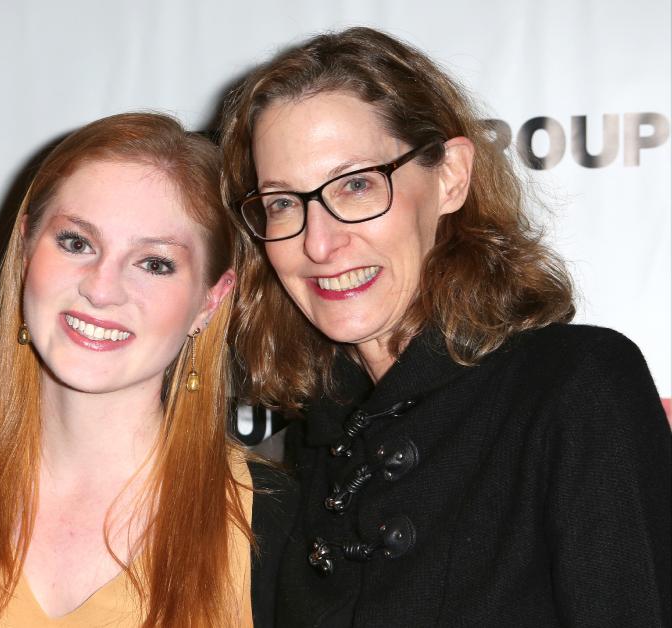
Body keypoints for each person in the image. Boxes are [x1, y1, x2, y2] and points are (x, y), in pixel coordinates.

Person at [218, 26, 671, 626]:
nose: (319, 243)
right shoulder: (303, 457)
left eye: (356, 185)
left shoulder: (574, 387)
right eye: (282, 202)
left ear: (451, 176)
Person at [0, 112, 296, 627]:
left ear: (210, 301)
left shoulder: (276, 525)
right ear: (24, 250)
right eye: (76, 243)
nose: (101, 289)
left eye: (154, 263)